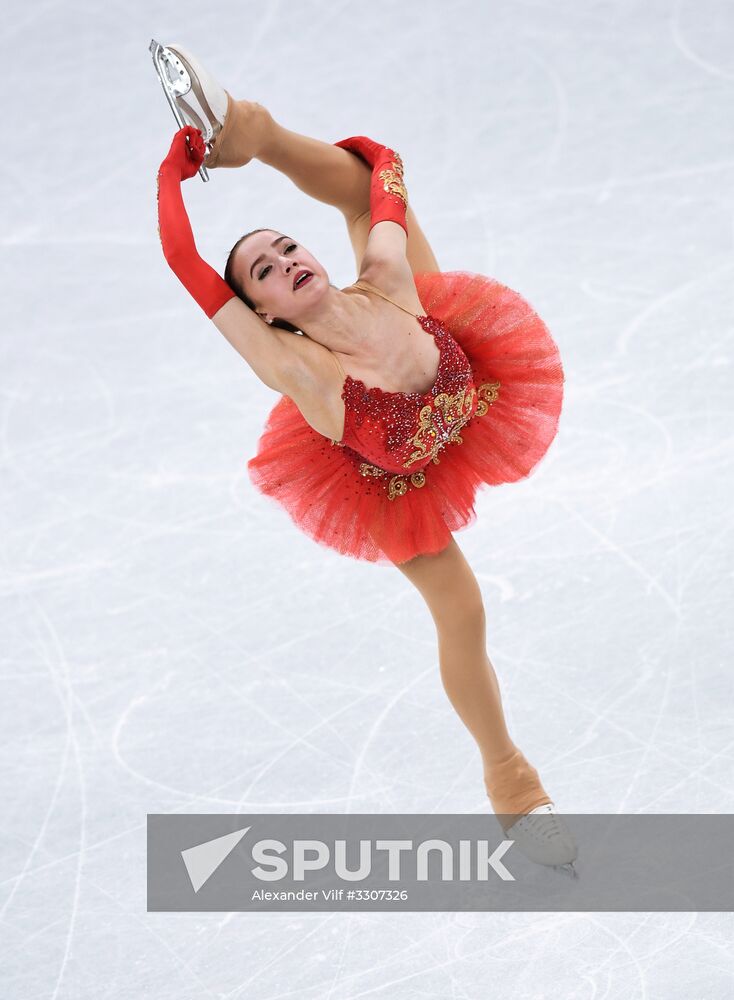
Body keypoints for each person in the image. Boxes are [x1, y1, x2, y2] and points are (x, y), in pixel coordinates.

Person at [153, 43, 578, 873]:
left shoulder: (388, 276)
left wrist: (247, 144)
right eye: (264, 273)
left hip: (462, 386)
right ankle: (513, 785)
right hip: (393, 478)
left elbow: (382, 165)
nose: (285, 262)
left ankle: (249, 124)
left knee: (363, 193)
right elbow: (183, 261)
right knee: (464, 613)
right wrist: (175, 172)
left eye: (285, 247)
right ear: (266, 314)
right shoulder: (298, 368)